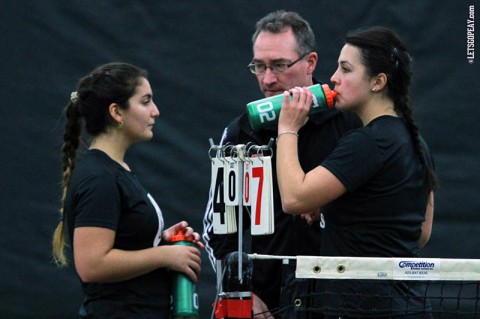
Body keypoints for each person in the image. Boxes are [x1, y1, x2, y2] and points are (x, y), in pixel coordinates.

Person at [202, 11, 362, 318]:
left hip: (336, 297)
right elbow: (216, 228)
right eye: (258, 67)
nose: (268, 79)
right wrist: (240, 291)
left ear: (310, 63)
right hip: (269, 303)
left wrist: (326, 205)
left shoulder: (349, 122)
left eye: (278, 65)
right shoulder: (240, 132)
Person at [276, 26, 436, 318]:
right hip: (409, 307)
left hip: (361, 307)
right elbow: (420, 232)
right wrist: (335, 208)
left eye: (346, 69)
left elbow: (294, 198)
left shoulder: (368, 142)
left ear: (378, 82)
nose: (334, 77)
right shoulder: (417, 143)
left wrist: (287, 128)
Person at [51, 62, 204, 319]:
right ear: (117, 112)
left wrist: (161, 240)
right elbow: (92, 264)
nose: (155, 111)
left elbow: (123, 241)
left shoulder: (115, 171)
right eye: (145, 102)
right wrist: (164, 255)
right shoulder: (99, 178)